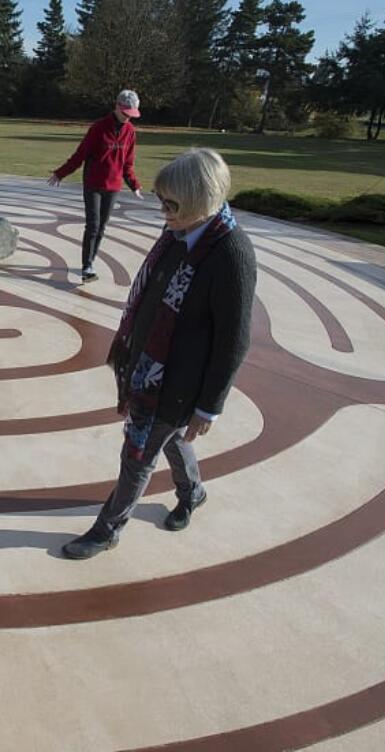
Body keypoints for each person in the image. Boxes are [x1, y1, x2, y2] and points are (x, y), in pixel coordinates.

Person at [63, 147, 256, 559]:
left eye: (171, 203)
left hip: (181, 381)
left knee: (138, 454)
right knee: (166, 438)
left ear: (199, 200)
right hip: (151, 367)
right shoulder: (180, 232)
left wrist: (209, 407)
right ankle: (193, 492)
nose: (163, 211)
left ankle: (106, 529)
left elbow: (234, 339)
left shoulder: (231, 255)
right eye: (160, 200)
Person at [48, 89, 144, 283]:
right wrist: (60, 173)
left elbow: (128, 164)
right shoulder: (98, 128)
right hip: (93, 184)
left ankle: (90, 260)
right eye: (125, 113)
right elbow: (80, 155)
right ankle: (87, 267)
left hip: (113, 186)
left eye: (131, 115)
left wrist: (134, 185)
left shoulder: (130, 132)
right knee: (93, 225)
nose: (128, 118)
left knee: (102, 227)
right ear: (117, 107)